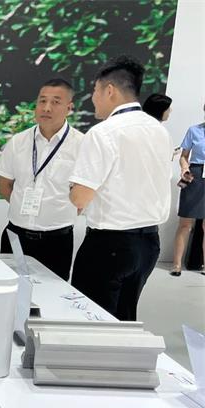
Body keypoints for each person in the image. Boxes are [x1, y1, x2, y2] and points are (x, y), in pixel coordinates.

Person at [69, 55, 172, 321]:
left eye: (95, 90)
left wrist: (73, 189)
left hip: (110, 244)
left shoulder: (103, 133)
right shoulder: (159, 130)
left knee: (91, 319)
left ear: (110, 90)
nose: (93, 98)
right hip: (149, 244)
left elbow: (79, 197)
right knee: (124, 319)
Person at [0, 78, 84, 281]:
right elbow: (4, 185)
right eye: (42, 101)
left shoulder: (81, 145)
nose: (47, 108)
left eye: (56, 102)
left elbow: (82, 197)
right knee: (10, 290)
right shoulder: (18, 141)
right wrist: (22, 206)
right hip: (15, 236)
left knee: (53, 293)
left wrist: (56, 212)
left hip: (57, 241)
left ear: (69, 108)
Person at [170, 103, 205, 276]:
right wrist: (185, 168)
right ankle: (176, 265)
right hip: (195, 175)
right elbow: (184, 156)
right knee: (185, 223)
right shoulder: (194, 130)